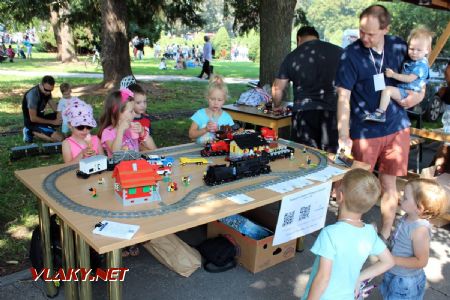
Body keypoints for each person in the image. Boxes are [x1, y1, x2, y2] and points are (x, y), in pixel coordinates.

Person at [335, 4, 425, 240]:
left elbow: (420, 69)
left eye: (371, 33)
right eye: (361, 31)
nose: (364, 37)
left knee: (389, 185)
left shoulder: (398, 46)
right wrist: (343, 134)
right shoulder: (351, 54)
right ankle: (345, 234)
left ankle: (385, 234)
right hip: (365, 131)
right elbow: (343, 96)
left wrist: (420, 94)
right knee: (355, 185)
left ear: (386, 29)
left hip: (397, 128)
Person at [302, 168, 394, 300]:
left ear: (340, 195)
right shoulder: (369, 232)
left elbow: (323, 278)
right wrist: (359, 278)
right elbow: (388, 262)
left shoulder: (330, 234)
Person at [272, 26, 342, 153]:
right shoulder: (338, 52)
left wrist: (276, 105)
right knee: (330, 155)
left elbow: (277, 88)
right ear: (317, 37)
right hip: (332, 112)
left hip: (303, 113)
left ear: (298, 39)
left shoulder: (293, 56)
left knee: (303, 155)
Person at [380, 178, 448, 299]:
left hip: (404, 281)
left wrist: (392, 259)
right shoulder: (407, 217)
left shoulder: (419, 230)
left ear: (419, 208)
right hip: (395, 272)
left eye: (405, 197)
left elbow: (421, 261)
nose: (401, 196)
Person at [365, 27, 433, 122]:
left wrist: (393, 75)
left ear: (427, 50)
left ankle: (380, 113)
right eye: (411, 49)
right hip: (399, 96)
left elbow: (411, 79)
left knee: (387, 90)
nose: (414, 53)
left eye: (419, 50)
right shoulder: (355, 50)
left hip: (406, 92)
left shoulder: (419, 63)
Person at [189, 75, 234, 144]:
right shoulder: (200, 114)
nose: (216, 103)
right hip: (199, 150)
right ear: (207, 98)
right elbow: (191, 135)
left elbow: (231, 137)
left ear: (224, 100)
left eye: (219, 100)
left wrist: (218, 130)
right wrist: (205, 129)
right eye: (212, 99)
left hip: (219, 151)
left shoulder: (227, 118)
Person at [98, 89, 142, 157]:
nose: (135, 114)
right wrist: (120, 130)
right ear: (117, 113)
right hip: (119, 167)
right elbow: (115, 152)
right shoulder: (107, 132)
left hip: (135, 164)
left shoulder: (130, 127)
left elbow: (139, 146)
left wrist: (141, 131)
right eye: (131, 111)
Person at [22, 75, 63, 143]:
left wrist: (60, 115)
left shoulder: (47, 91)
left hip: (41, 118)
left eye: (51, 90)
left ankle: (47, 129)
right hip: (32, 123)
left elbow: (55, 108)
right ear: (41, 85)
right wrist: (54, 122)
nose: (48, 92)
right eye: (46, 90)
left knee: (64, 115)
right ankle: (30, 131)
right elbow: (33, 118)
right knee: (59, 139)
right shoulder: (33, 95)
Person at [128, 83, 157, 151]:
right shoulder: (128, 120)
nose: (143, 105)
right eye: (138, 103)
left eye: (145, 102)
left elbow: (149, 139)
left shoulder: (146, 119)